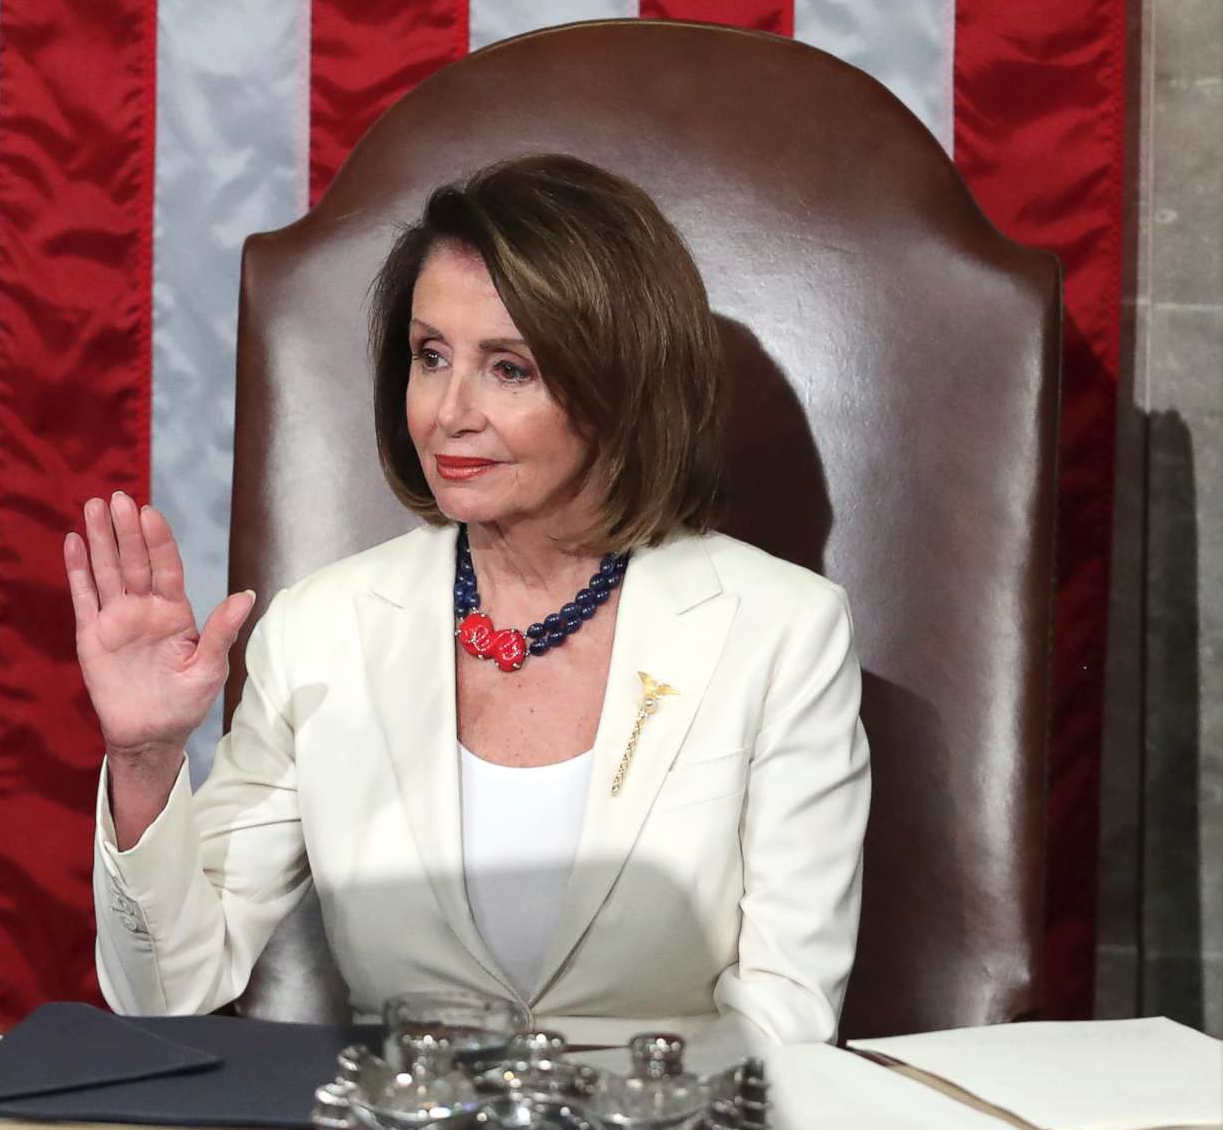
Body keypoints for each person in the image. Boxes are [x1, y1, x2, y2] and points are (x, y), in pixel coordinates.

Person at [71, 155, 868, 1053]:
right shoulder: (322, 630)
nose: (449, 411)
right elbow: (165, 993)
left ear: (623, 386)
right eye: (430, 356)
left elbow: (786, 1018)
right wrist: (143, 760)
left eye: (510, 368)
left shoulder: (782, 631)